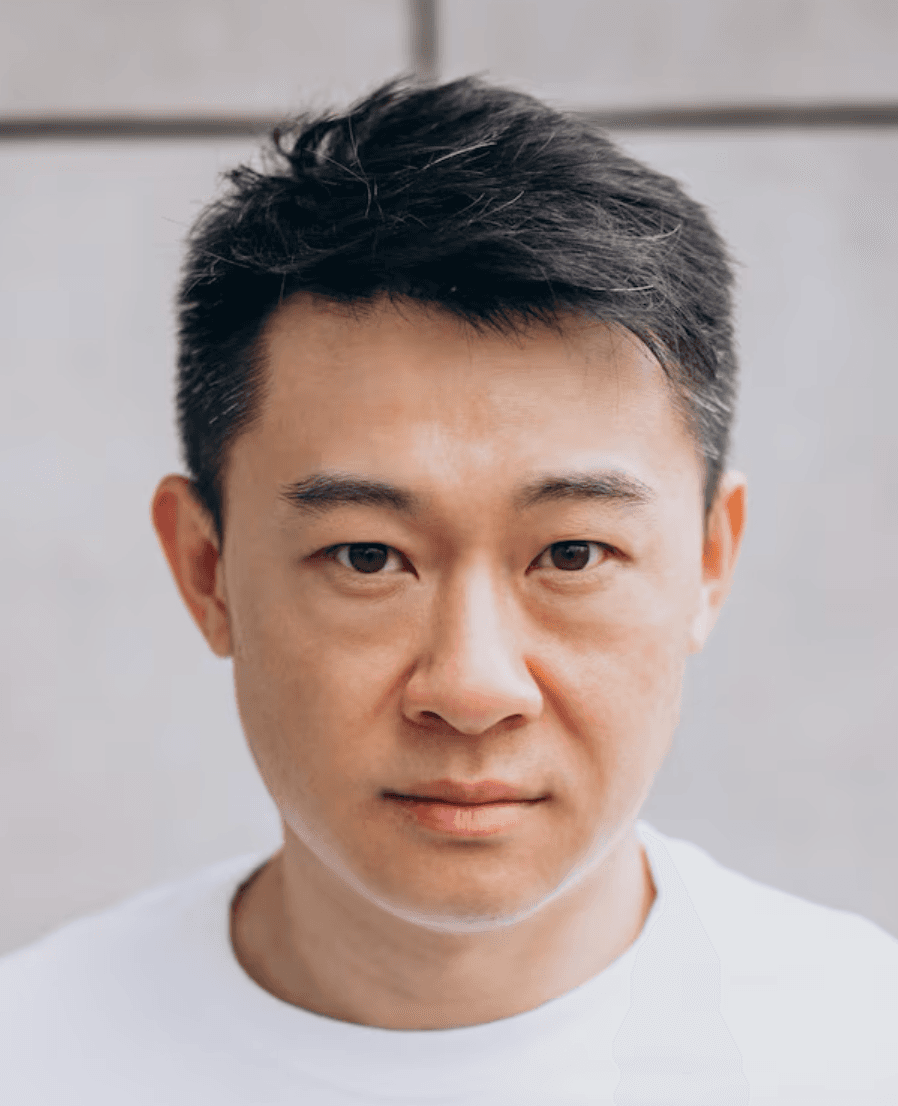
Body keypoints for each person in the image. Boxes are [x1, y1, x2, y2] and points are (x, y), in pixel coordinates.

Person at [1, 77, 896, 1105]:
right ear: (207, 571)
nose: (470, 688)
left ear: (707, 561)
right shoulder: (30, 1054)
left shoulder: (863, 1048)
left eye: (570, 553)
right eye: (367, 556)